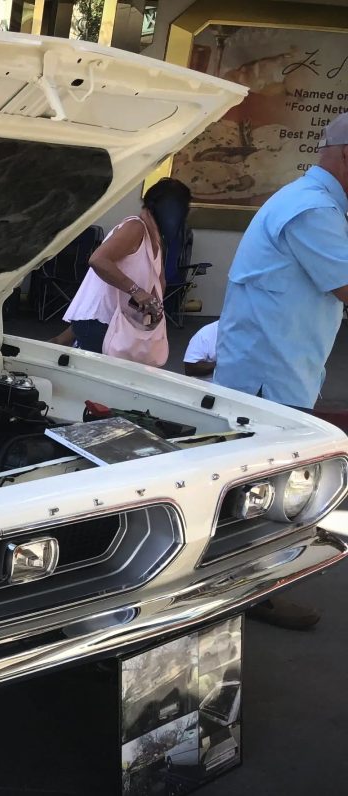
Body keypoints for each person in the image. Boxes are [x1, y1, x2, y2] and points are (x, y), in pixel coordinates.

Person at [211, 114, 348, 631]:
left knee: (260, 488)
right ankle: (245, 597)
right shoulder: (313, 210)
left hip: (277, 369)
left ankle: (245, 592)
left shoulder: (311, 201)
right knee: (262, 491)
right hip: (271, 376)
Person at [62, 178, 191, 357]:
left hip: (116, 323)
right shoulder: (135, 227)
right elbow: (98, 260)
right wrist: (137, 291)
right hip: (103, 323)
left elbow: (158, 283)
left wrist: (152, 306)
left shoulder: (154, 238)